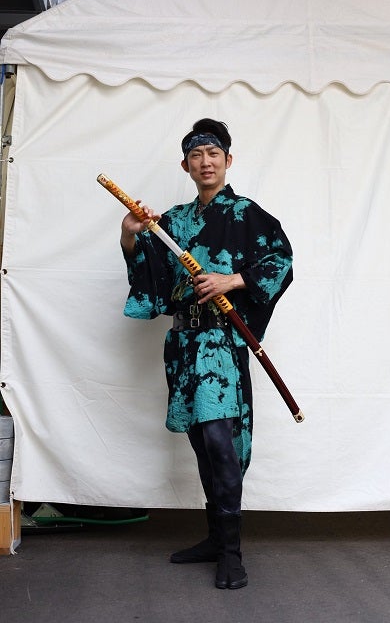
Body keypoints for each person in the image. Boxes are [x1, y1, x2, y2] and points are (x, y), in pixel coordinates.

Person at [120, 118, 293, 589]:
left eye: (213, 153)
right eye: (196, 155)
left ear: (228, 160)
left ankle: (232, 554)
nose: (205, 162)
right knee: (201, 443)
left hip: (220, 346)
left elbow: (280, 260)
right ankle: (216, 539)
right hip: (183, 345)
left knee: (221, 443)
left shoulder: (246, 214)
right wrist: (131, 234)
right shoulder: (174, 221)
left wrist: (230, 280)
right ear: (186, 166)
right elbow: (150, 273)